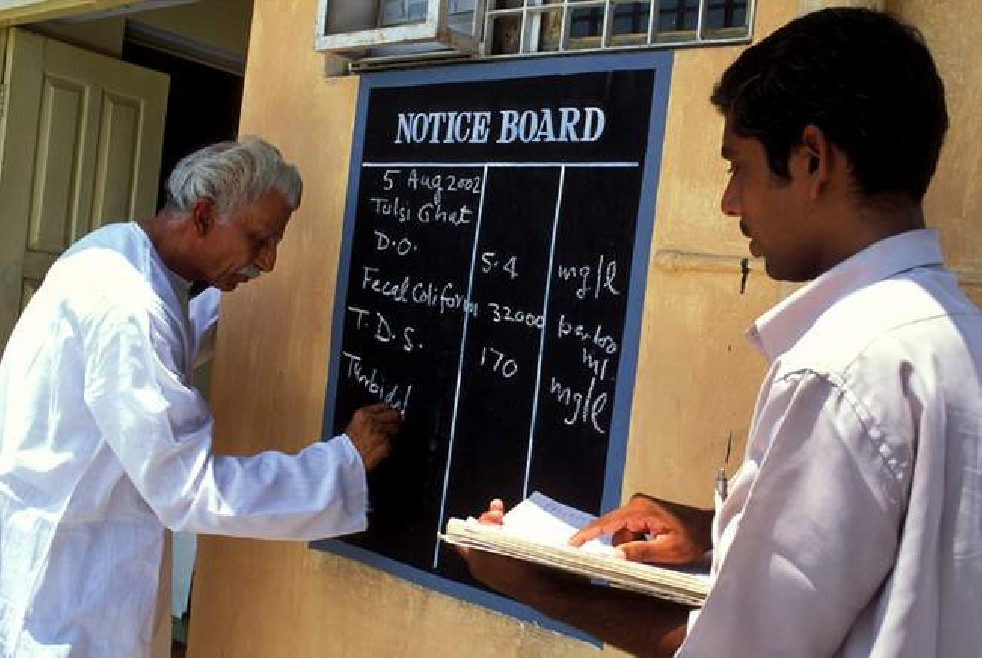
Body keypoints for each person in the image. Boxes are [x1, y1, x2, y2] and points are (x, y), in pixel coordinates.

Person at [461, 8, 981, 657]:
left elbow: (743, 647)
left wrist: (544, 586)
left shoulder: (839, 368)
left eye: (740, 167)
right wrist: (717, 529)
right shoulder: (957, 335)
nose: (730, 202)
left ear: (813, 159)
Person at [0, 138, 402, 657]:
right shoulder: (128, 306)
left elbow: (159, 350)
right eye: (259, 239)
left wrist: (222, 303)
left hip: (74, 574)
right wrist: (339, 465)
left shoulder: (122, 255)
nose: (270, 262)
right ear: (205, 215)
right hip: (66, 604)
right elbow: (189, 490)